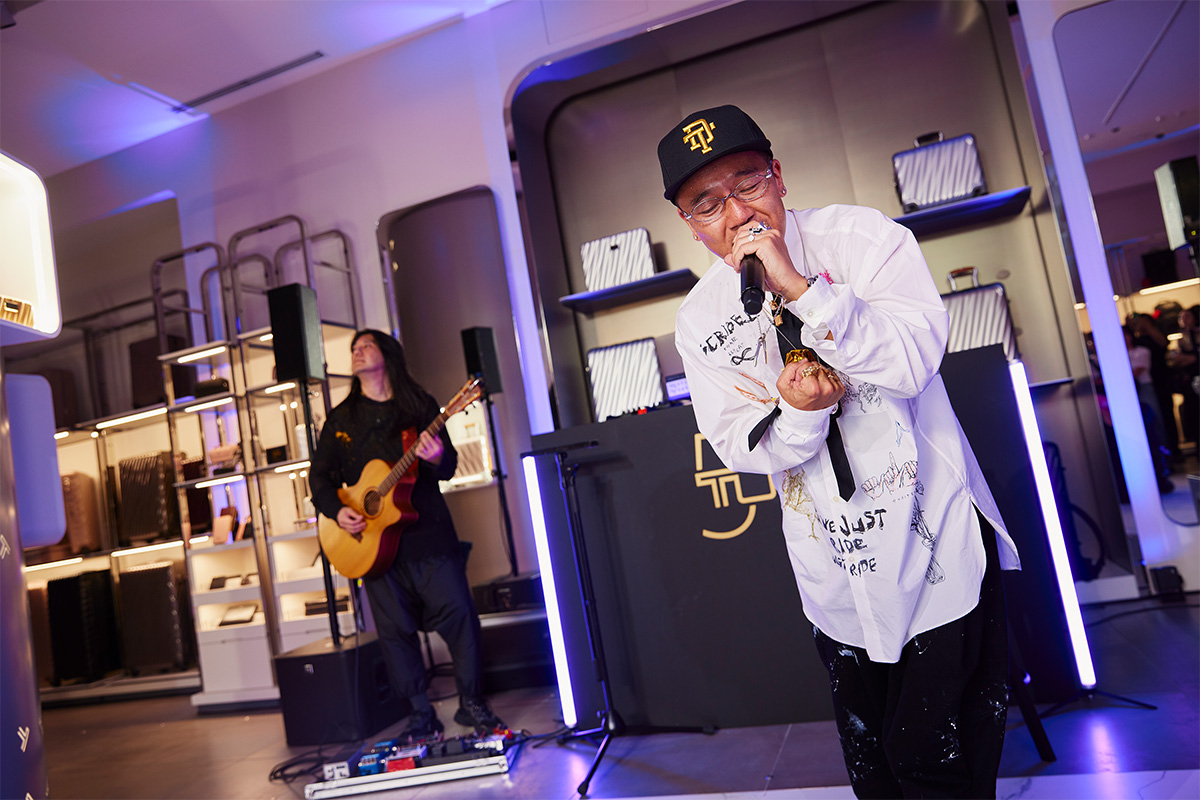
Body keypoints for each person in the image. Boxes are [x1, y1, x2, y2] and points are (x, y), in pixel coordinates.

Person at [661, 105, 1021, 798]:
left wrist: (802, 291)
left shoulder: (863, 239)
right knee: (875, 772)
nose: (736, 214)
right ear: (690, 222)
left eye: (748, 183)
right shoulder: (700, 319)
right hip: (834, 565)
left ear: (779, 175)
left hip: (935, 541)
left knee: (940, 770)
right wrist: (800, 415)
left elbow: (912, 362)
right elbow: (737, 442)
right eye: (707, 203)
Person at [309, 329, 504, 739]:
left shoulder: (419, 406)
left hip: (428, 535)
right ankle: (420, 714)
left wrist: (437, 456)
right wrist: (338, 511)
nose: (358, 351)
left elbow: (448, 467)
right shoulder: (342, 420)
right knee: (395, 633)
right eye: (354, 348)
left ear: (388, 354)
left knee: (460, 616)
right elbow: (320, 478)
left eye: (367, 345)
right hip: (373, 548)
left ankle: (472, 703)